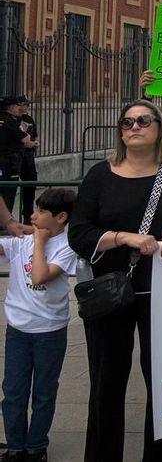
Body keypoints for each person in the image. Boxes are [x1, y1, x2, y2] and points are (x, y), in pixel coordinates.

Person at [69, 100, 162, 462]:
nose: (134, 126)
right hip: (110, 292)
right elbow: (79, 233)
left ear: (158, 129)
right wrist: (124, 238)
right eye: (127, 122)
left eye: (143, 120)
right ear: (121, 131)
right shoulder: (100, 176)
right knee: (106, 382)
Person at [1, 188, 77, 462]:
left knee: (44, 392)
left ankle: (36, 446)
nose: (33, 216)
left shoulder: (66, 247)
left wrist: (38, 241)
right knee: (13, 390)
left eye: (41, 212)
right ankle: (15, 445)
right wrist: (13, 226)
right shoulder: (21, 240)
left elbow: (39, 277)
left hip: (50, 331)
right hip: (18, 330)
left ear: (61, 217)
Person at [0, 96, 36, 222]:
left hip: (9, 160)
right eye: (17, 105)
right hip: (11, 161)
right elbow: (25, 139)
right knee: (8, 192)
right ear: (12, 107)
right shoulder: (10, 121)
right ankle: (4, 222)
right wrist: (25, 131)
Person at [15, 96, 37, 225]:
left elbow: (34, 135)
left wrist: (35, 143)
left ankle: (27, 216)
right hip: (15, 156)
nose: (27, 107)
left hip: (28, 156)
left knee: (29, 185)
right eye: (25, 104)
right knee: (9, 188)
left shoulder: (28, 118)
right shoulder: (11, 120)